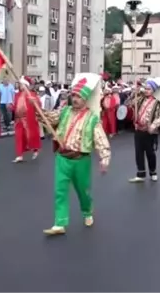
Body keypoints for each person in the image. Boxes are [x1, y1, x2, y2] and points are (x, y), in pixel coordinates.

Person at [37, 73, 111, 236]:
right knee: (60, 190)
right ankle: (60, 223)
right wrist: (37, 109)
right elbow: (49, 118)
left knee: (82, 191)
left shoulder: (92, 119)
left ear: (85, 99)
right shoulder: (64, 111)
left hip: (80, 160)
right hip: (62, 158)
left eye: (78, 96)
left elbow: (100, 139)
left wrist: (104, 158)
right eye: (74, 95)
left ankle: (87, 211)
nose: (75, 99)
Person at [127, 77, 160, 183]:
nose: (146, 90)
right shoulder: (140, 99)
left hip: (150, 131)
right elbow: (129, 104)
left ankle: (153, 172)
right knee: (138, 153)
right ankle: (140, 174)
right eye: (145, 88)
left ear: (153, 90)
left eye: (149, 89)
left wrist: (153, 126)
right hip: (138, 129)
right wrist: (133, 93)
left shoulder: (158, 103)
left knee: (150, 153)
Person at [10, 76, 41, 162]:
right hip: (18, 120)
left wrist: (35, 101)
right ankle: (19, 155)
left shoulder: (32, 94)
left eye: (21, 84)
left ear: (26, 85)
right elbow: (15, 106)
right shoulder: (17, 95)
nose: (19, 85)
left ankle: (35, 149)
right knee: (19, 137)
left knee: (30, 136)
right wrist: (11, 107)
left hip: (28, 119)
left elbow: (38, 105)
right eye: (19, 84)